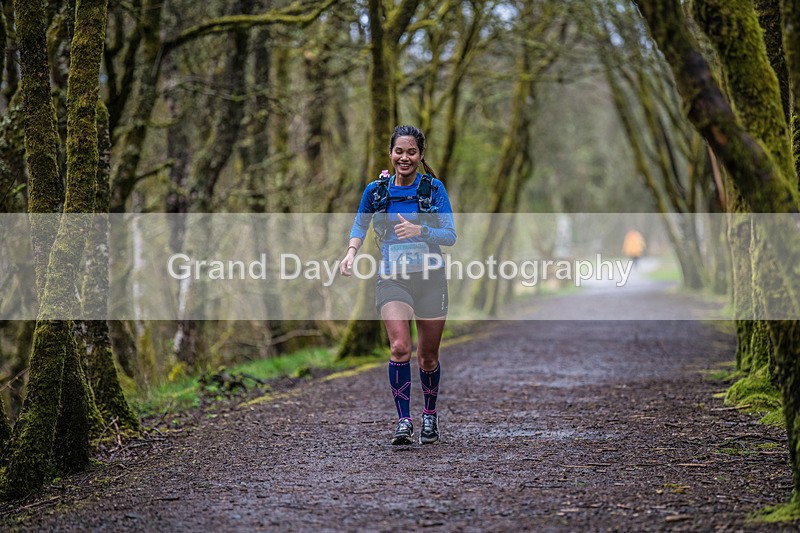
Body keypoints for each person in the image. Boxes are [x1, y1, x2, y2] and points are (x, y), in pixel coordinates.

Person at [340, 125, 456, 445]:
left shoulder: (432, 190)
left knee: (427, 357)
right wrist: (350, 253)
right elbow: (360, 224)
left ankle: (429, 415)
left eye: (411, 152)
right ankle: (404, 421)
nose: (404, 157)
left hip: (431, 280)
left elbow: (450, 235)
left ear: (420, 156)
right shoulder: (376, 191)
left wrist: (420, 231)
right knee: (400, 347)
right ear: (390, 154)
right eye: (399, 151)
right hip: (393, 279)